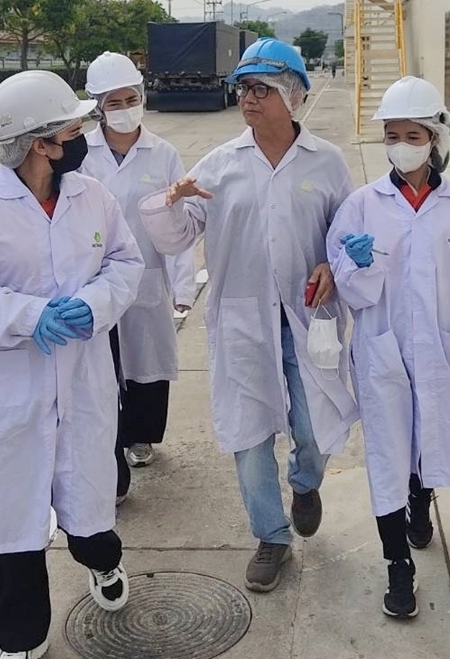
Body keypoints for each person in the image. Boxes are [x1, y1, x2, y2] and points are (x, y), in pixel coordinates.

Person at [0, 70, 144, 659]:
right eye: (72, 130)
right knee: (12, 516)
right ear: (40, 143)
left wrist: (93, 306)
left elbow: (125, 262)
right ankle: (19, 638)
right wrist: (27, 316)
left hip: (80, 377)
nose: (82, 138)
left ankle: (102, 562)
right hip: (6, 385)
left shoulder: (93, 197)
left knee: (88, 498)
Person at [138, 38, 359, 593]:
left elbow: (349, 235)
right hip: (242, 318)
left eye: (262, 88)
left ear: (294, 94)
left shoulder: (327, 163)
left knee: (314, 426)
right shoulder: (220, 165)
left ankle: (305, 482)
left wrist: (334, 266)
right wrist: (171, 201)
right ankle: (271, 535)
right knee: (249, 431)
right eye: (244, 88)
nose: (249, 99)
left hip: (309, 318)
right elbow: (176, 238)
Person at [328, 77, 450, 618]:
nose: (401, 146)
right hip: (380, 350)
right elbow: (347, 287)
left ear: (434, 139)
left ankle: (420, 500)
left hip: (440, 348)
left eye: (412, 135)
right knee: (387, 453)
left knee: (428, 438)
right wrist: (358, 265)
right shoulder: (362, 205)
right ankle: (397, 566)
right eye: (392, 135)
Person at [79, 52, 197, 482]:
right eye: (114, 102)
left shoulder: (162, 154)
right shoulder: (82, 153)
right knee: (101, 363)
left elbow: (177, 221)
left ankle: (142, 435)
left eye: (131, 99)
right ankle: (110, 439)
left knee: (147, 361)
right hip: (94, 277)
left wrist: (183, 286)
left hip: (146, 274)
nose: (125, 109)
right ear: (98, 107)